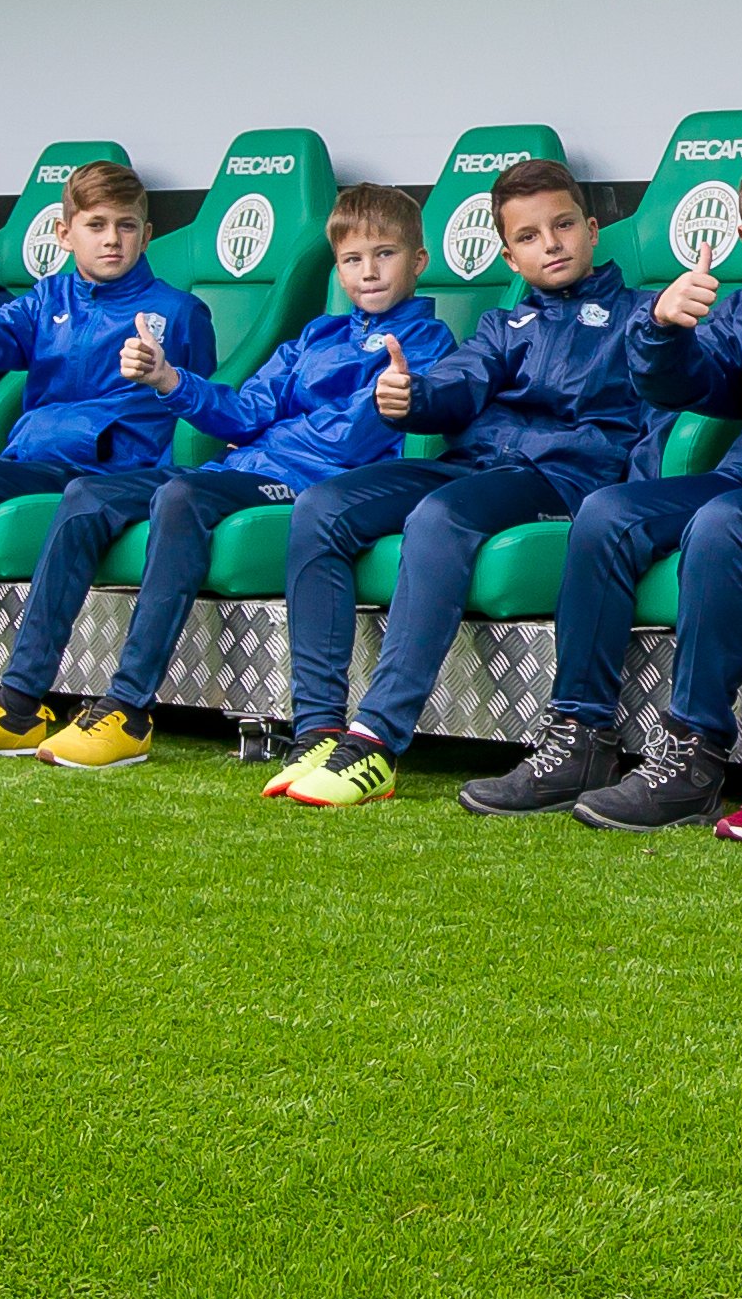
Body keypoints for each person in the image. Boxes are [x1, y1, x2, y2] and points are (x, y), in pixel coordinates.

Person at [0, 184, 458, 771]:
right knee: (86, 495)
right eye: (353, 259)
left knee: (182, 494)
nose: (369, 272)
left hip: (307, 485)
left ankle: (128, 709)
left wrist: (266, 436)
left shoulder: (426, 342)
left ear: (418, 261)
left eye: (385, 255)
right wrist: (168, 379)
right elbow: (244, 410)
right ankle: (20, 700)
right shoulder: (317, 335)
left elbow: (346, 440)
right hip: (240, 469)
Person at [452, 143, 742, 828]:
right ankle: (579, 737)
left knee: (723, 521)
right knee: (607, 512)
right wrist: (662, 330)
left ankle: (693, 755)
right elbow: (689, 386)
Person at [268, 157, 653, 812]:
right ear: (509, 256)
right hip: (478, 465)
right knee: (322, 505)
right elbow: (459, 382)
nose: (551, 244)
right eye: (528, 236)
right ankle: (318, 730)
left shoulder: (638, 316)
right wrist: (411, 396)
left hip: (561, 477)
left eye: (563, 226)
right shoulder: (505, 325)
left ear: (591, 230)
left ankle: (375, 741)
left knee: (441, 515)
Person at [0, 163, 218, 758]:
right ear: (64, 233)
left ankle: (20, 702)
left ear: (147, 235)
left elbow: (200, 406)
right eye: (95, 225)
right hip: (40, 459)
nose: (112, 239)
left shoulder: (178, 311)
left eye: (126, 226)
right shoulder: (46, 298)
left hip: (120, 470)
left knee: (77, 498)